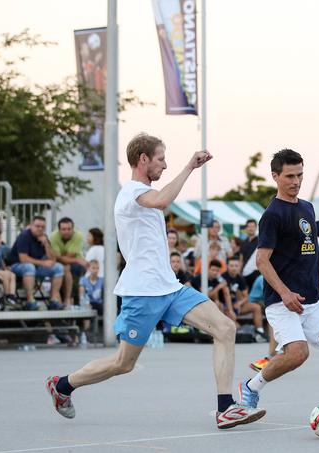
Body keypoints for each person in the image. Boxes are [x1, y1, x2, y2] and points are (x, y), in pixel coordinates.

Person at [46, 132, 265, 429]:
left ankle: (225, 408)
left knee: (225, 328)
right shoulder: (131, 192)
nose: (165, 164)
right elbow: (162, 199)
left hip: (170, 287)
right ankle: (63, 385)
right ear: (143, 159)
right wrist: (189, 167)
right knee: (123, 363)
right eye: (161, 158)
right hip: (142, 292)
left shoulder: (142, 194)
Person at [237, 148, 319, 428]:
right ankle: (252, 387)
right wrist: (284, 293)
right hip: (282, 302)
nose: (296, 181)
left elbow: (310, 250)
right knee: (297, 354)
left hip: (312, 298)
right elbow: (261, 260)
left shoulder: (306, 207)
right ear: (276, 176)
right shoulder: (272, 215)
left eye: (300, 175)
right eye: (290, 176)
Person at [7, 216, 65, 311]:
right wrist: (43, 263)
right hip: (16, 266)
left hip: (35, 266)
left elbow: (52, 259)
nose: (40, 229)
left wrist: (46, 244)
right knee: (29, 267)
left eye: (43, 227)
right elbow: (23, 258)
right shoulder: (24, 236)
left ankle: (53, 300)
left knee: (58, 268)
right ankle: (30, 301)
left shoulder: (44, 237)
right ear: (31, 225)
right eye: (37, 226)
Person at [222, 257, 267, 341]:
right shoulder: (223, 277)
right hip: (224, 306)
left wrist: (240, 303)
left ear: (239, 267)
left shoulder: (240, 278)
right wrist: (230, 309)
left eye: (236, 266)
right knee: (230, 315)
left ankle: (260, 333)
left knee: (256, 307)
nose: (234, 268)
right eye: (231, 266)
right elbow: (225, 295)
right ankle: (238, 331)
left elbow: (246, 296)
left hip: (236, 305)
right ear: (227, 266)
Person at [50, 218, 88, 307]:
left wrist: (61, 258)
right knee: (61, 269)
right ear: (59, 230)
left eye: (69, 229)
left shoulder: (78, 236)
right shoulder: (53, 237)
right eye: (63, 229)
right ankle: (66, 299)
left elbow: (67, 255)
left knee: (75, 269)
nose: (66, 231)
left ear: (73, 229)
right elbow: (58, 258)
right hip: (62, 263)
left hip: (74, 266)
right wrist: (76, 259)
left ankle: (73, 300)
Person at [240, 219, 260, 288]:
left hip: (256, 272)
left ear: (256, 228)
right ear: (246, 228)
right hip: (245, 272)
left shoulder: (260, 241)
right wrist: (240, 272)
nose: (251, 228)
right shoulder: (243, 242)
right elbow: (241, 258)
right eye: (249, 226)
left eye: (253, 226)